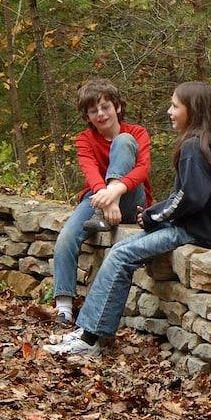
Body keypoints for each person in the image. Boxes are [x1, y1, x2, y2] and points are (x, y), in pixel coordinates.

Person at [44, 81, 211, 358]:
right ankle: (88, 332)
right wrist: (154, 214)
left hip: (196, 231)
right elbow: (187, 194)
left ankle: (89, 339)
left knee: (121, 256)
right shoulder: (206, 141)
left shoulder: (194, 147)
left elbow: (191, 198)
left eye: (175, 106)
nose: (169, 111)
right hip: (201, 227)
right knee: (120, 251)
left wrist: (154, 216)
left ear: (193, 110)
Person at [52, 79, 153, 325]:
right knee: (66, 237)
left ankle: (109, 200)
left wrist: (114, 192)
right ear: (87, 116)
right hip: (97, 199)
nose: (100, 114)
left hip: (133, 197)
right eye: (93, 110)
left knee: (124, 140)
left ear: (117, 107)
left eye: (105, 107)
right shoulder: (84, 139)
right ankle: (63, 306)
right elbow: (90, 172)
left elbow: (142, 169)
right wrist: (106, 200)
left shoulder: (137, 133)